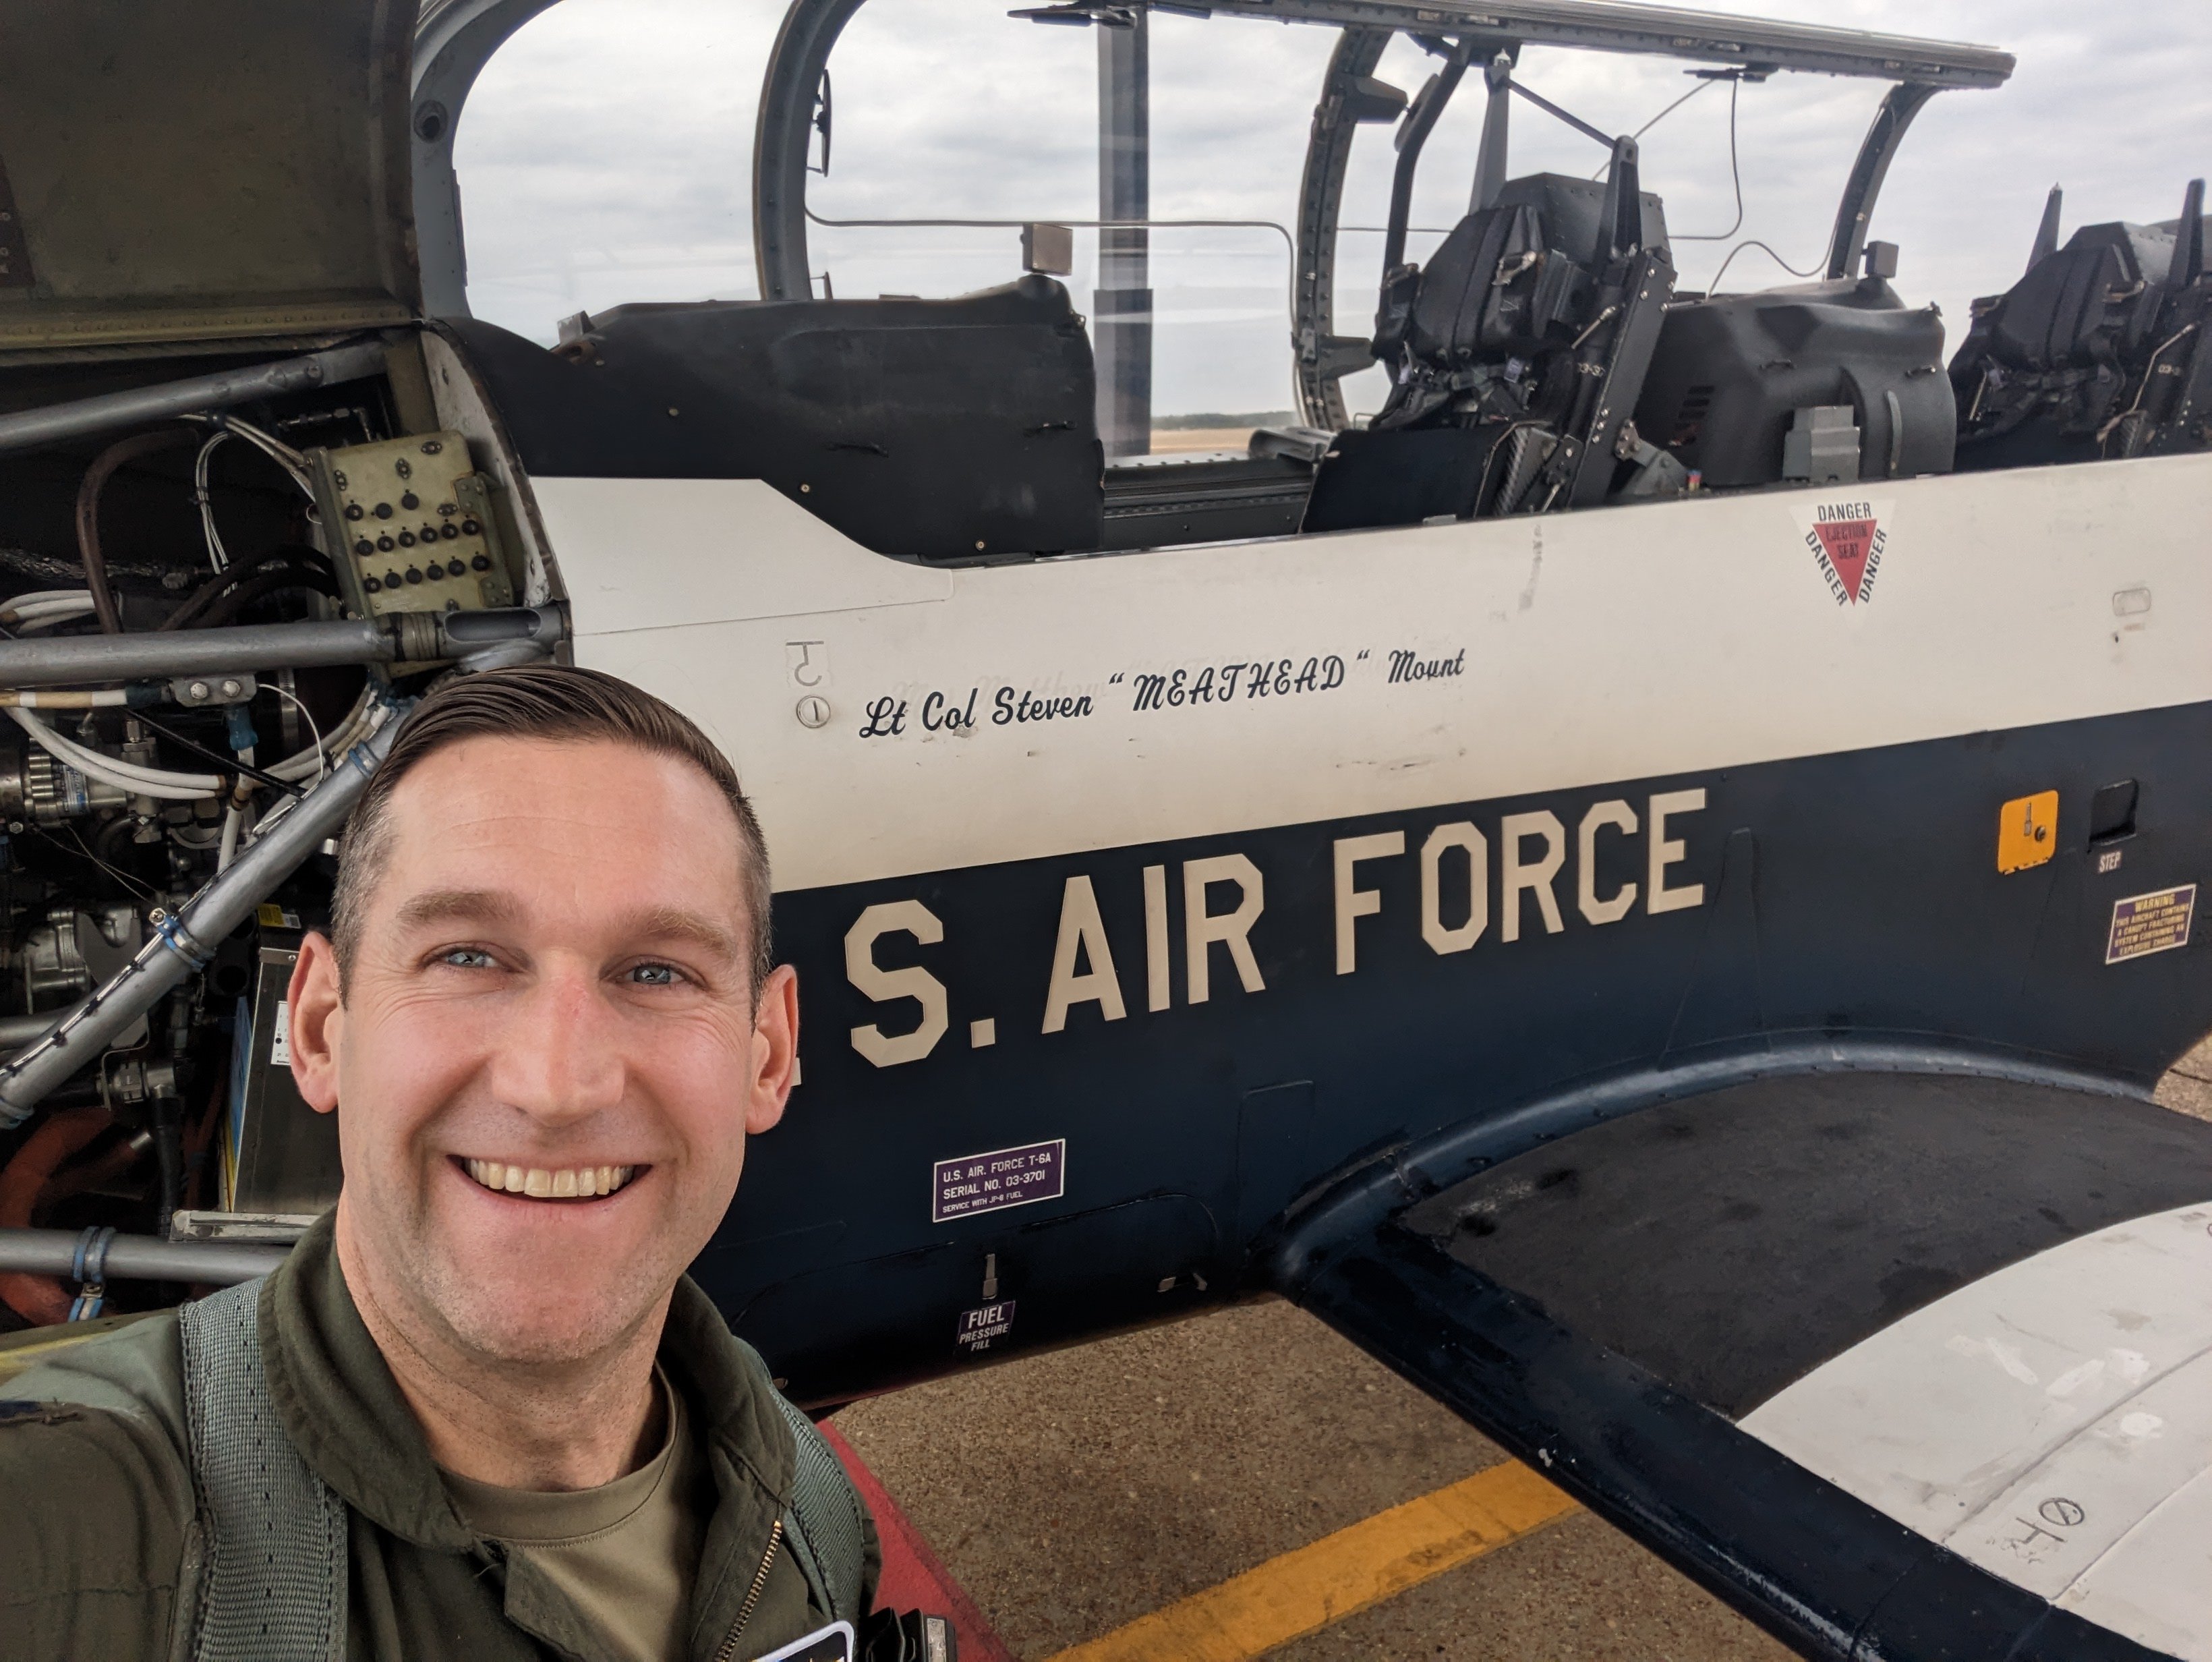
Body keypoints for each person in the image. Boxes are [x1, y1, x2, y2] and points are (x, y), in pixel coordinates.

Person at [0, 665, 879, 1661]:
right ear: (323, 1026)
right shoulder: (65, 1540)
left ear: (767, 1053)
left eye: (656, 971)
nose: (558, 1085)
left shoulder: (804, 1509)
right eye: (468, 957)